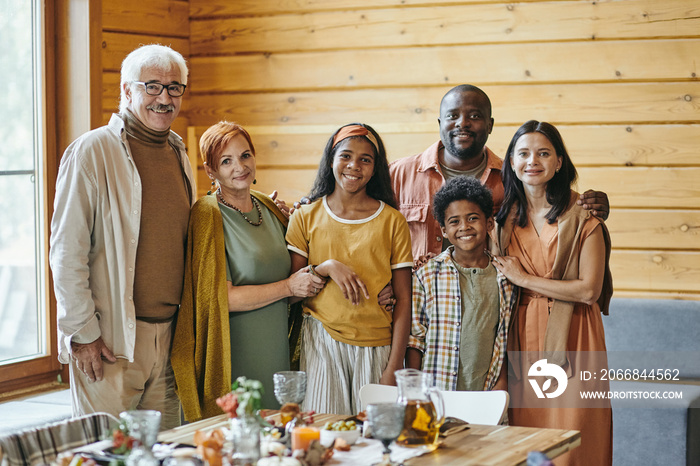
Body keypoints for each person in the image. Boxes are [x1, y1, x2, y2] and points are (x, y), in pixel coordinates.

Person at [50, 44, 194, 428]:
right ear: (127, 90)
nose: (164, 98)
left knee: (166, 453)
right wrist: (82, 334)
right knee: (109, 453)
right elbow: (67, 251)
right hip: (110, 344)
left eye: (174, 88)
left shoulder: (179, 151)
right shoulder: (91, 151)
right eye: (152, 86)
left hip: (170, 339)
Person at [170, 122, 326, 422]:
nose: (239, 167)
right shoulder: (207, 214)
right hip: (235, 351)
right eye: (225, 161)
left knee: (278, 442)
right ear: (210, 170)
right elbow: (221, 299)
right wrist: (289, 287)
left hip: (277, 349)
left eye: (245, 156)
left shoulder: (270, 207)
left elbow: (297, 276)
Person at [492, 120, 613, 466]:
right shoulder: (503, 220)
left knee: (575, 433)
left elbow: (589, 290)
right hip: (521, 333)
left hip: (575, 334)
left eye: (544, 153)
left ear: (559, 162)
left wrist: (524, 279)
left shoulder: (584, 215)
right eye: (524, 153)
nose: (533, 160)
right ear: (512, 162)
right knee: (528, 434)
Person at [389, 84, 610, 265]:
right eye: (452, 115)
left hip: (488, 303)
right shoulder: (399, 174)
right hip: (414, 302)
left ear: (490, 125)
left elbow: (551, 209)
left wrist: (593, 204)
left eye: (474, 116)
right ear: (440, 123)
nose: (462, 123)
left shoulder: (513, 178)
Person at [286, 123, 413, 415]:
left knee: (375, 441)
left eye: (365, 159)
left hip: (378, 347)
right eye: (345, 156)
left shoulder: (392, 221)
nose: (354, 165)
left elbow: (404, 299)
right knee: (326, 435)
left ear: (375, 168)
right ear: (331, 159)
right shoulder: (305, 217)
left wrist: (394, 367)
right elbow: (290, 295)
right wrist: (325, 268)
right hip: (321, 344)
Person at [406, 176, 517, 392]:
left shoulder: (505, 278)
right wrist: (415, 390)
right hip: (436, 391)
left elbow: (503, 337)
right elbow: (415, 339)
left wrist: (502, 383)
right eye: (454, 221)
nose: (464, 227)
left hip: (486, 391)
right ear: (444, 230)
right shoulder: (426, 275)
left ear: (489, 223)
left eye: (473, 218)